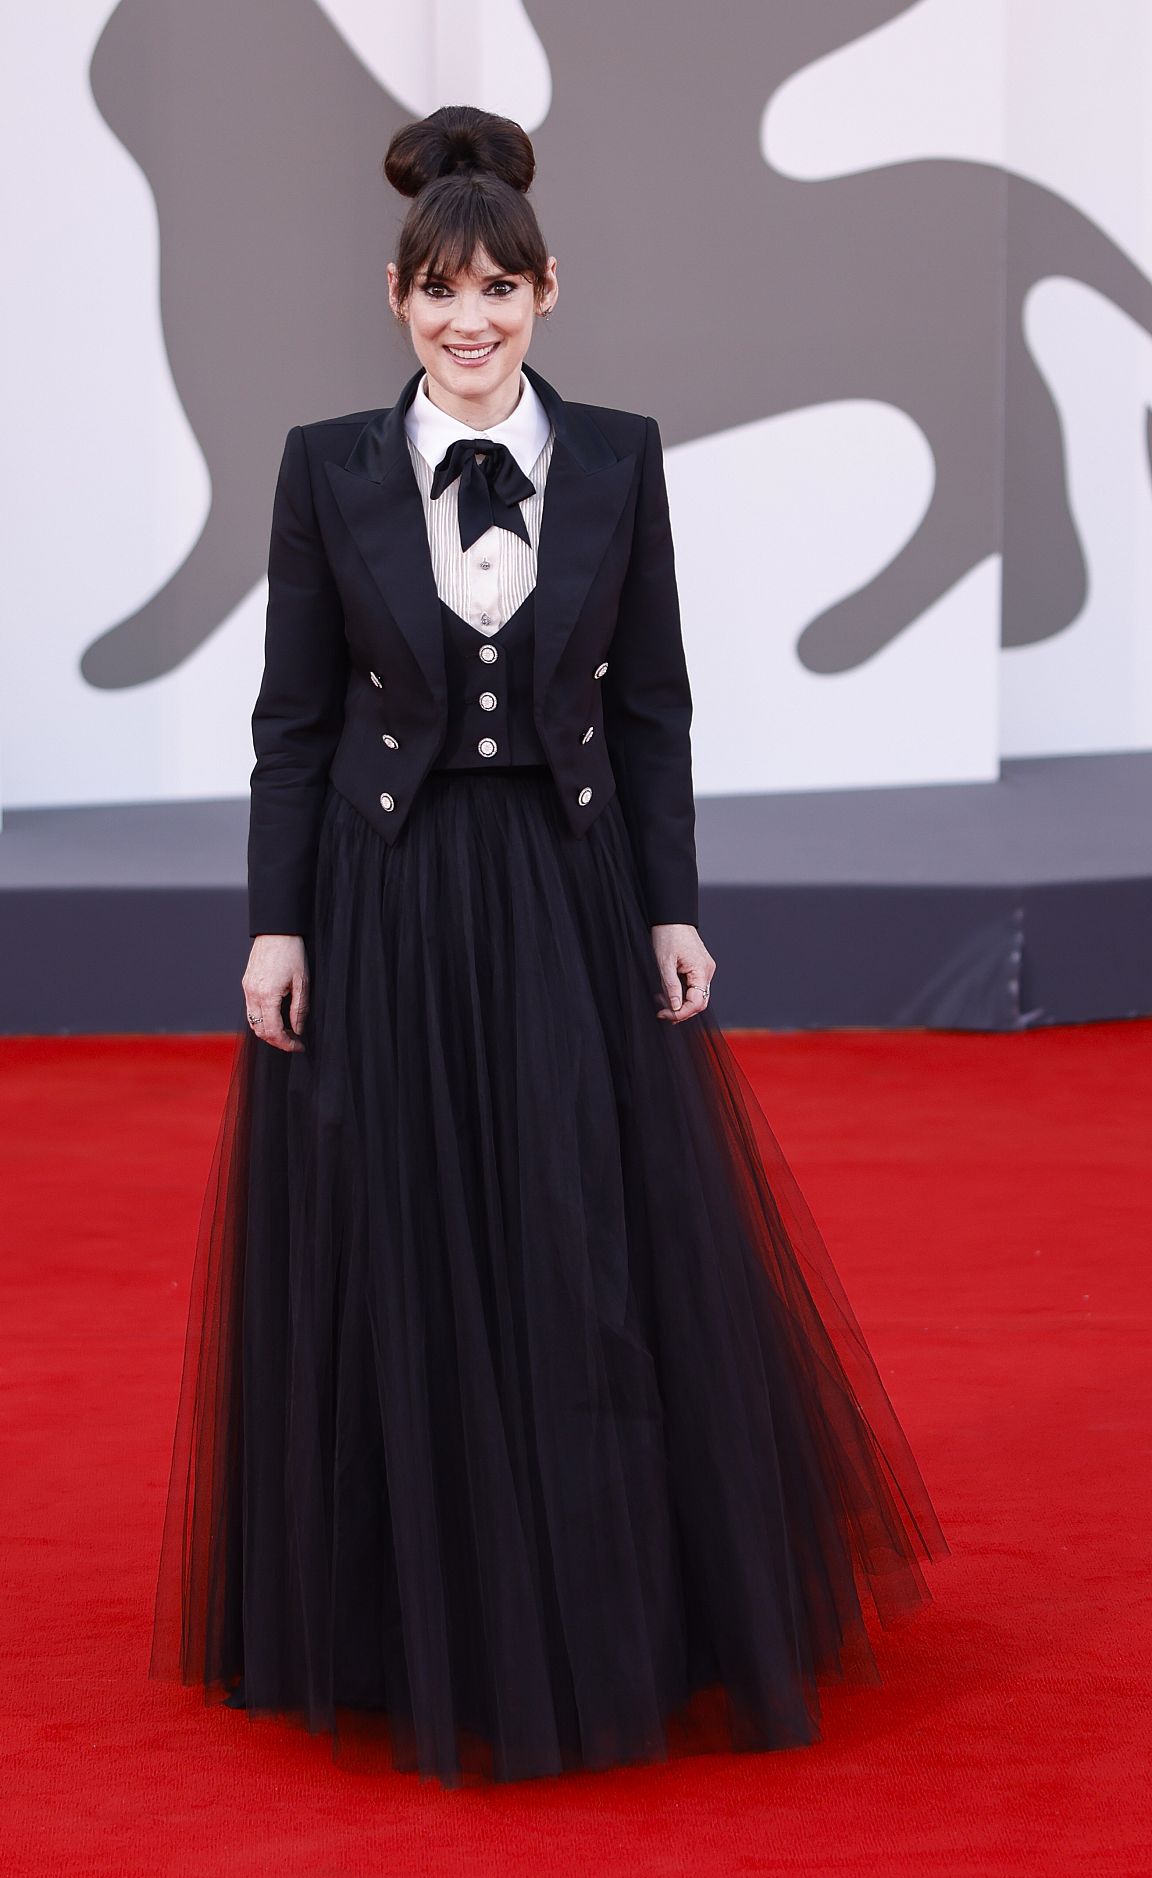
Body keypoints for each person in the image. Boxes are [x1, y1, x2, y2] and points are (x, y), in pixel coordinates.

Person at [148, 105, 948, 1789]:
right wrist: (274, 925)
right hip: (390, 898)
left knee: (586, 1239)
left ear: (548, 291)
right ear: (394, 297)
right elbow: (290, 722)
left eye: (501, 288)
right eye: (442, 291)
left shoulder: (622, 456)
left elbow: (652, 704)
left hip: (572, 892)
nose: (471, 319)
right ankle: (407, 1622)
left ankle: (613, 1609)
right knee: (408, 1236)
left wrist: (674, 903)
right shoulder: (328, 469)